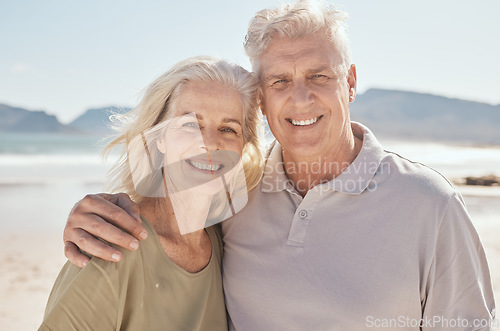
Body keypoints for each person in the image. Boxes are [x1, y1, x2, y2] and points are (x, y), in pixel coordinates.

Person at [61, 0, 496, 330]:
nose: (300, 97)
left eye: (319, 76)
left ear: (350, 82)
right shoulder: (236, 195)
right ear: (263, 101)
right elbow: (169, 225)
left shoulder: (430, 205)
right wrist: (95, 213)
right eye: (280, 81)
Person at [40, 56, 264, 330]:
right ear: (159, 137)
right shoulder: (110, 248)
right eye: (191, 124)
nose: (210, 143)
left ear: (243, 148)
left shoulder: (224, 242)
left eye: (228, 129)